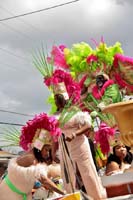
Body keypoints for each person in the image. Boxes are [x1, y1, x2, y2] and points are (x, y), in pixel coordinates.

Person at [53, 82, 107, 200]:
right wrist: (54, 151)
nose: (56, 100)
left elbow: (88, 125)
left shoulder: (75, 111)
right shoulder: (55, 115)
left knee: (87, 171)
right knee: (67, 175)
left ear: (65, 98)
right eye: (55, 98)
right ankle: (72, 197)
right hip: (64, 146)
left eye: (58, 97)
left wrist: (74, 134)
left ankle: (97, 197)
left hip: (79, 143)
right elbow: (55, 135)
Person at [0, 113, 64, 200]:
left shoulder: (32, 155)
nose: (47, 153)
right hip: (9, 194)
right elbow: (44, 180)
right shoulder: (31, 159)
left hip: (22, 195)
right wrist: (62, 193)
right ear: (40, 147)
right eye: (46, 150)